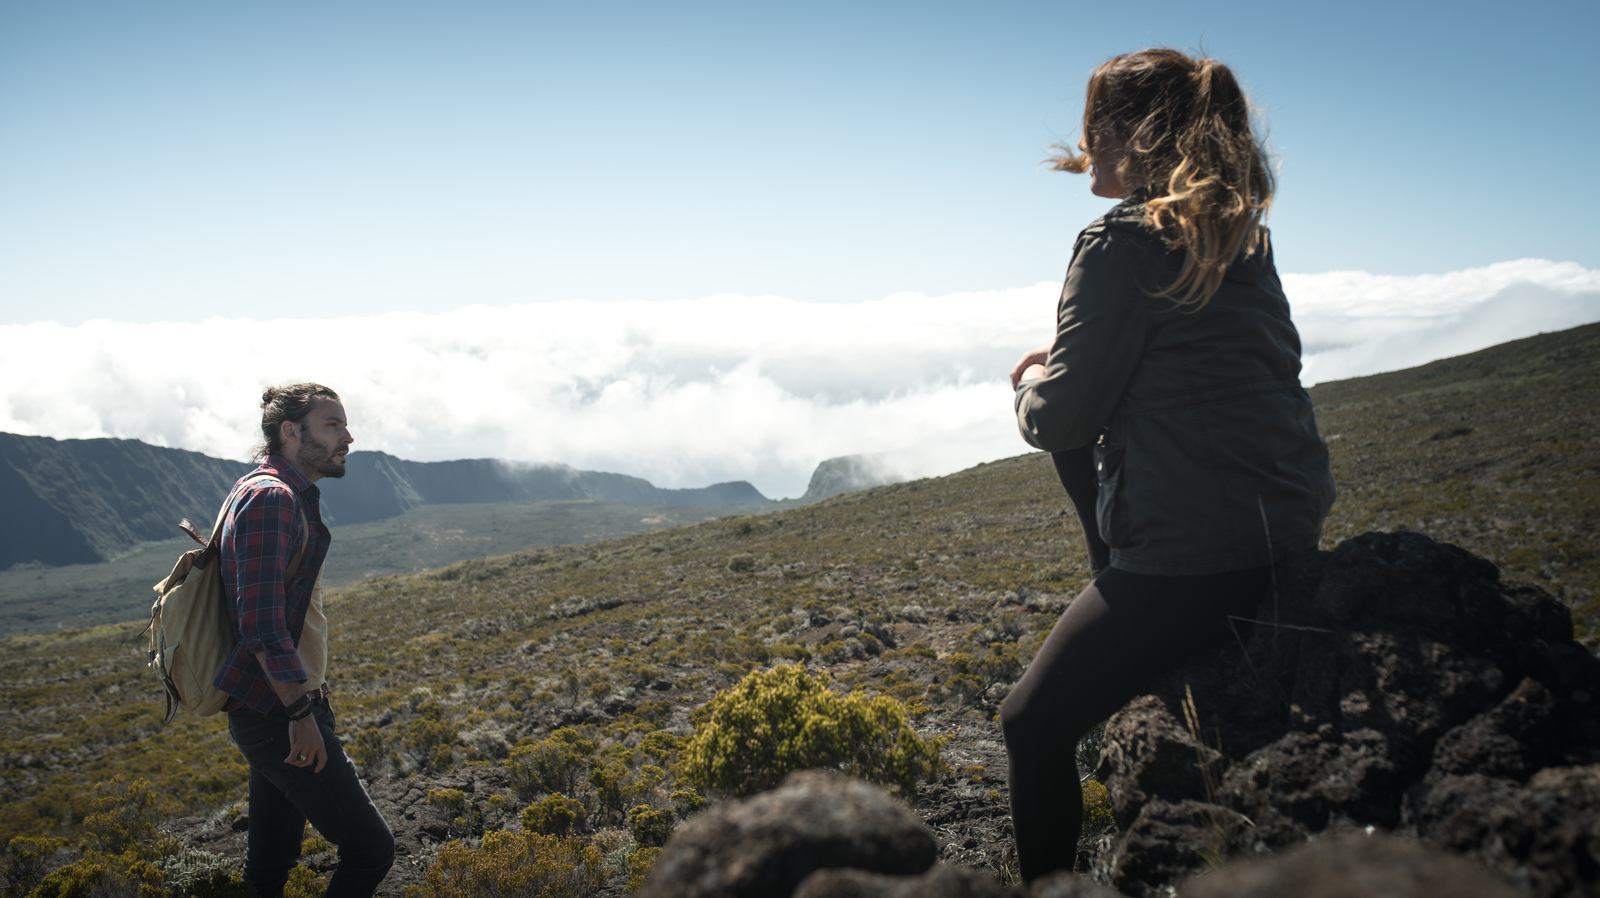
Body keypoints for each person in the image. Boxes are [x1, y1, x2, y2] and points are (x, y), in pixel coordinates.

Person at [1002, 49, 1336, 881]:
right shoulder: (1240, 234)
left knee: (1028, 725)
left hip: (1196, 554)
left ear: (1125, 132)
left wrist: (1034, 382)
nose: (1083, 145)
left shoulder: (1118, 242)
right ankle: (1116, 577)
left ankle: (1049, 889)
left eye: (1092, 127)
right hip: (1286, 524)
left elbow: (1061, 421)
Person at [216, 383, 394, 897]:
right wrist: (300, 715)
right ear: (290, 432)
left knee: (269, 868)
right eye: (332, 425)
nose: (348, 436)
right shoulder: (272, 498)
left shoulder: (273, 490)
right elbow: (262, 624)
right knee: (370, 851)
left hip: (275, 708)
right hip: (278, 713)